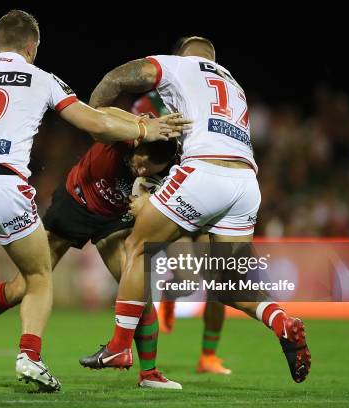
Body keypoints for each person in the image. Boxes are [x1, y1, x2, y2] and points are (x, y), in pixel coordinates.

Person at [0, 10, 186, 392]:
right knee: (36, 278)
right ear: (33, 46)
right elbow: (96, 122)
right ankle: (27, 355)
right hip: (37, 192)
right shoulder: (41, 78)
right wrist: (146, 126)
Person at [81, 36, 311, 384]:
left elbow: (119, 77)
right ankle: (281, 321)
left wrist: (95, 111)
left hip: (203, 172)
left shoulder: (177, 66)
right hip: (246, 184)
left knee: (138, 245)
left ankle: (118, 345)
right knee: (227, 282)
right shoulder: (234, 86)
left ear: (180, 54)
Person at [0, 132, 183, 389]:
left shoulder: (175, 164)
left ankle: (148, 374)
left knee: (138, 294)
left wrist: (152, 201)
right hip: (75, 205)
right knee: (20, 288)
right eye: (142, 162)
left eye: (150, 169)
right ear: (138, 145)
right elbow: (100, 106)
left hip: (114, 218)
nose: (143, 170)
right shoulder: (123, 133)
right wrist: (140, 125)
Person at [133, 84, 231, 375]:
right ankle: (171, 295)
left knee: (219, 283)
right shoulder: (145, 104)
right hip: (169, 197)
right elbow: (136, 142)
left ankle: (208, 356)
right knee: (188, 279)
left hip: (203, 195)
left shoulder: (204, 101)